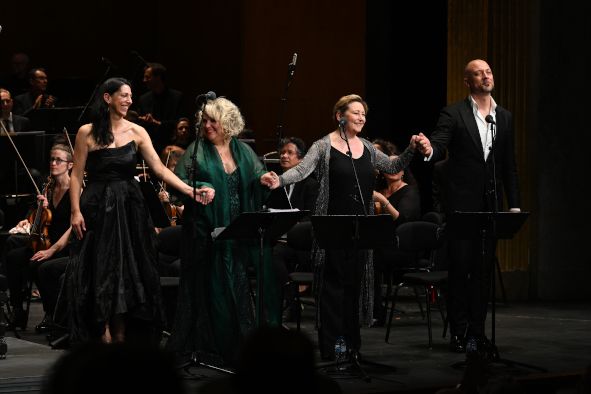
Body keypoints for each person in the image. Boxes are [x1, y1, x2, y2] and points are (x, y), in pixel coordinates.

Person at [261, 94, 431, 361]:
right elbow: (301, 170)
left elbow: (393, 165)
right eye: (356, 113)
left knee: (353, 287)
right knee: (333, 289)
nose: (362, 117)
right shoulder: (323, 146)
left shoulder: (366, 147)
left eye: (364, 113)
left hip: (360, 228)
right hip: (332, 227)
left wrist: (410, 149)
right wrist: (278, 181)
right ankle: (333, 348)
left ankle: (352, 347)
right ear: (340, 116)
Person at [62, 77, 212, 345]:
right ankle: (101, 330)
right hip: (96, 205)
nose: (130, 100)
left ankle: (120, 333)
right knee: (99, 268)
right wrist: (75, 211)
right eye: (124, 95)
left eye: (131, 96)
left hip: (128, 207)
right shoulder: (86, 132)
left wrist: (190, 191)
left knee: (125, 269)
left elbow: (159, 168)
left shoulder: (137, 131)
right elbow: (76, 175)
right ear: (108, 98)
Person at [167, 96, 275, 368]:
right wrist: (200, 186)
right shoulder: (196, 150)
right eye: (204, 120)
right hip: (204, 231)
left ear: (227, 122)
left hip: (235, 230)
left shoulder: (242, 150)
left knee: (235, 286)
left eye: (212, 120)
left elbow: (255, 175)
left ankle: (236, 346)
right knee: (206, 287)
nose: (206, 125)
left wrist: (263, 179)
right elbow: (178, 184)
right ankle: (205, 346)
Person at [421, 59, 521, 354]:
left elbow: (508, 166)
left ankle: (478, 333)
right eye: (478, 73)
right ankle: (459, 332)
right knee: (461, 269)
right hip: (462, 207)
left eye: (488, 71)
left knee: (482, 272)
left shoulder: (504, 117)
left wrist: (513, 206)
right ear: (468, 81)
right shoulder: (454, 113)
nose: (485, 76)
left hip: (491, 206)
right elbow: (439, 145)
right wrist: (429, 150)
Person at [3, 141, 73, 330]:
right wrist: (30, 219)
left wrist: (52, 250)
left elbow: (73, 227)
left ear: (70, 165)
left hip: (63, 244)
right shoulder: (47, 189)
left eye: (59, 160)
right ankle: (18, 311)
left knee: (38, 264)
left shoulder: (76, 191)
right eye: (52, 159)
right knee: (13, 256)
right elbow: (39, 221)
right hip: (44, 240)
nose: (53, 163)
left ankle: (50, 315)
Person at [265, 137, 319, 321]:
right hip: (278, 237)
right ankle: (273, 302)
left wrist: (291, 227)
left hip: (302, 244)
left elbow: (311, 217)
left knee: (275, 254)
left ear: (301, 160)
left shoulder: (311, 185)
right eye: (282, 153)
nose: (284, 156)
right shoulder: (275, 183)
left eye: (289, 152)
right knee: (262, 250)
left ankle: (291, 299)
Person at [371, 139, 421, 325]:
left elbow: (402, 222)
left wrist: (384, 202)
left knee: (370, 257)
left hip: (402, 247)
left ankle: (377, 312)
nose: (393, 168)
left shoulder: (410, 191)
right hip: (380, 243)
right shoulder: (378, 189)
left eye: (397, 165)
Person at [137, 63, 185, 153]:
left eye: (147, 77)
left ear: (158, 78)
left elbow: (180, 124)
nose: (144, 80)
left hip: (172, 146)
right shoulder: (143, 99)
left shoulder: (177, 97)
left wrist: (157, 123)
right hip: (150, 147)